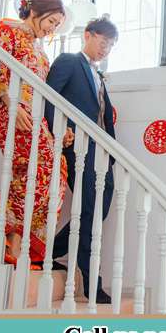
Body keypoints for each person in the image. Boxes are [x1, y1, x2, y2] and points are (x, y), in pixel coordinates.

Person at [0, 0, 72, 269]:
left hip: (35, 117)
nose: (52, 29)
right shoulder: (8, 32)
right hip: (12, 111)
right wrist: (11, 103)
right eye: (51, 22)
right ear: (35, 12)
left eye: (57, 25)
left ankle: (18, 239)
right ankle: (1, 221)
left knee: (52, 173)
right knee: (38, 169)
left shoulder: (40, 49)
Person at [45, 16, 118, 304]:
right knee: (89, 211)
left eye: (111, 46)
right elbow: (49, 97)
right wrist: (60, 131)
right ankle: (92, 283)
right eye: (103, 42)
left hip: (102, 155)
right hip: (78, 150)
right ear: (88, 35)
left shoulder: (98, 75)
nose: (106, 49)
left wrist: (111, 153)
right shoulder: (69, 61)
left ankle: (50, 250)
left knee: (94, 214)